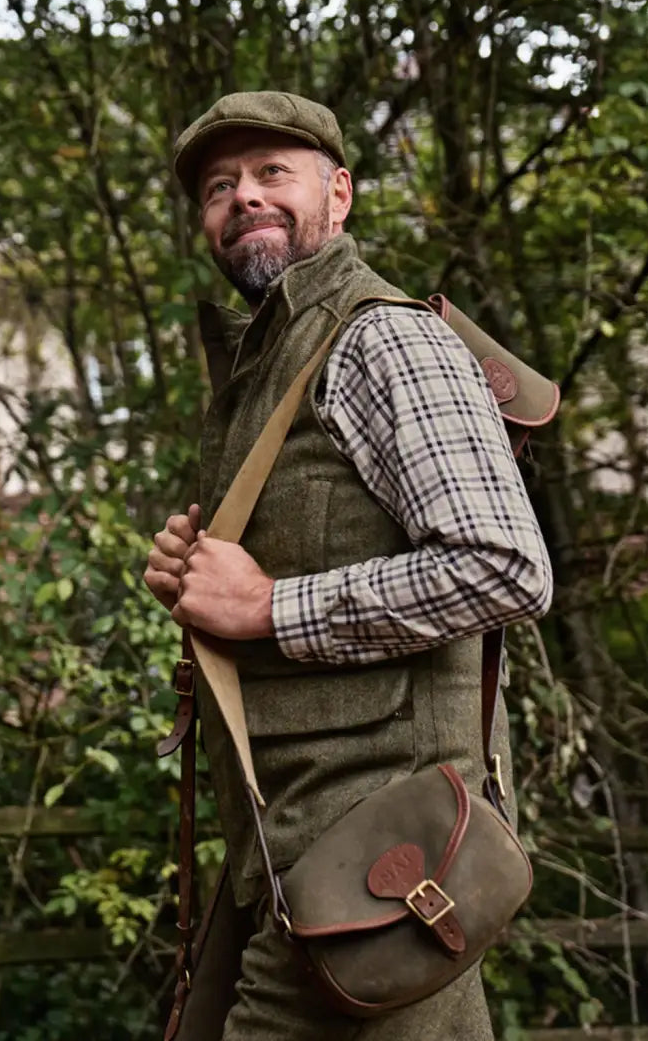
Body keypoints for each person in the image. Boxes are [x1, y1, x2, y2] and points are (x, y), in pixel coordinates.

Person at [142, 91, 553, 1041]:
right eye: (217, 186)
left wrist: (268, 607)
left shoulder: (383, 337)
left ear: (338, 193)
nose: (242, 197)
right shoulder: (267, 360)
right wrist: (202, 583)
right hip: (292, 862)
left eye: (270, 174)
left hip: (380, 858)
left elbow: (503, 566)